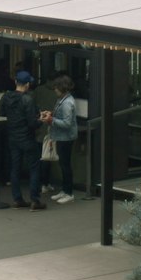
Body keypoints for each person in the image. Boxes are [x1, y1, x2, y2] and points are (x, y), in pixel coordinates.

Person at [0, 69, 50, 209]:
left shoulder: (6, 97)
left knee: (15, 167)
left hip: (13, 137)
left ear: (16, 82)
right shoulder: (28, 99)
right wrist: (42, 120)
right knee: (34, 167)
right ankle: (35, 200)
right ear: (27, 84)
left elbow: (1, 112)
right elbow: (32, 123)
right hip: (27, 138)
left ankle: (17, 199)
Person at [49, 74, 78, 203]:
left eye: (56, 88)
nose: (54, 90)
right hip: (63, 136)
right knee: (63, 164)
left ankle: (69, 192)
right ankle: (65, 190)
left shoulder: (67, 103)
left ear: (62, 88)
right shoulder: (64, 99)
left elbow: (67, 123)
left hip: (65, 137)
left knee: (65, 165)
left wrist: (51, 120)